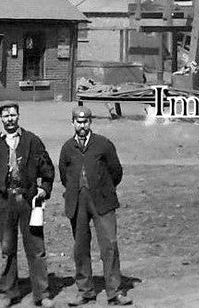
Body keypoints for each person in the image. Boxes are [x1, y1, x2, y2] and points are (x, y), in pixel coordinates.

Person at [0, 102, 57, 307]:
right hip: (4, 203)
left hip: (28, 201)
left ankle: (42, 293)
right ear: (1, 119)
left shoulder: (32, 141)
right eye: (6, 116)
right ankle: (9, 292)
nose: (10, 119)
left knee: (36, 248)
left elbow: (47, 169)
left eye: (13, 115)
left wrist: (44, 189)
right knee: (7, 249)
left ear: (18, 116)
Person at [58, 105, 132, 306]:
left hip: (102, 200)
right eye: (78, 122)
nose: (82, 126)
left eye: (85, 122)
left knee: (109, 245)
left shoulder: (103, 144)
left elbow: (116, 171)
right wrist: (77, 190)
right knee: (80, 247)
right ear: (73, 123)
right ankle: (85, 291)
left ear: (90, 122)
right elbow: (64, 175)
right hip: (78, 201)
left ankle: (114, 291)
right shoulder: (67, 147)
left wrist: (103, 188)